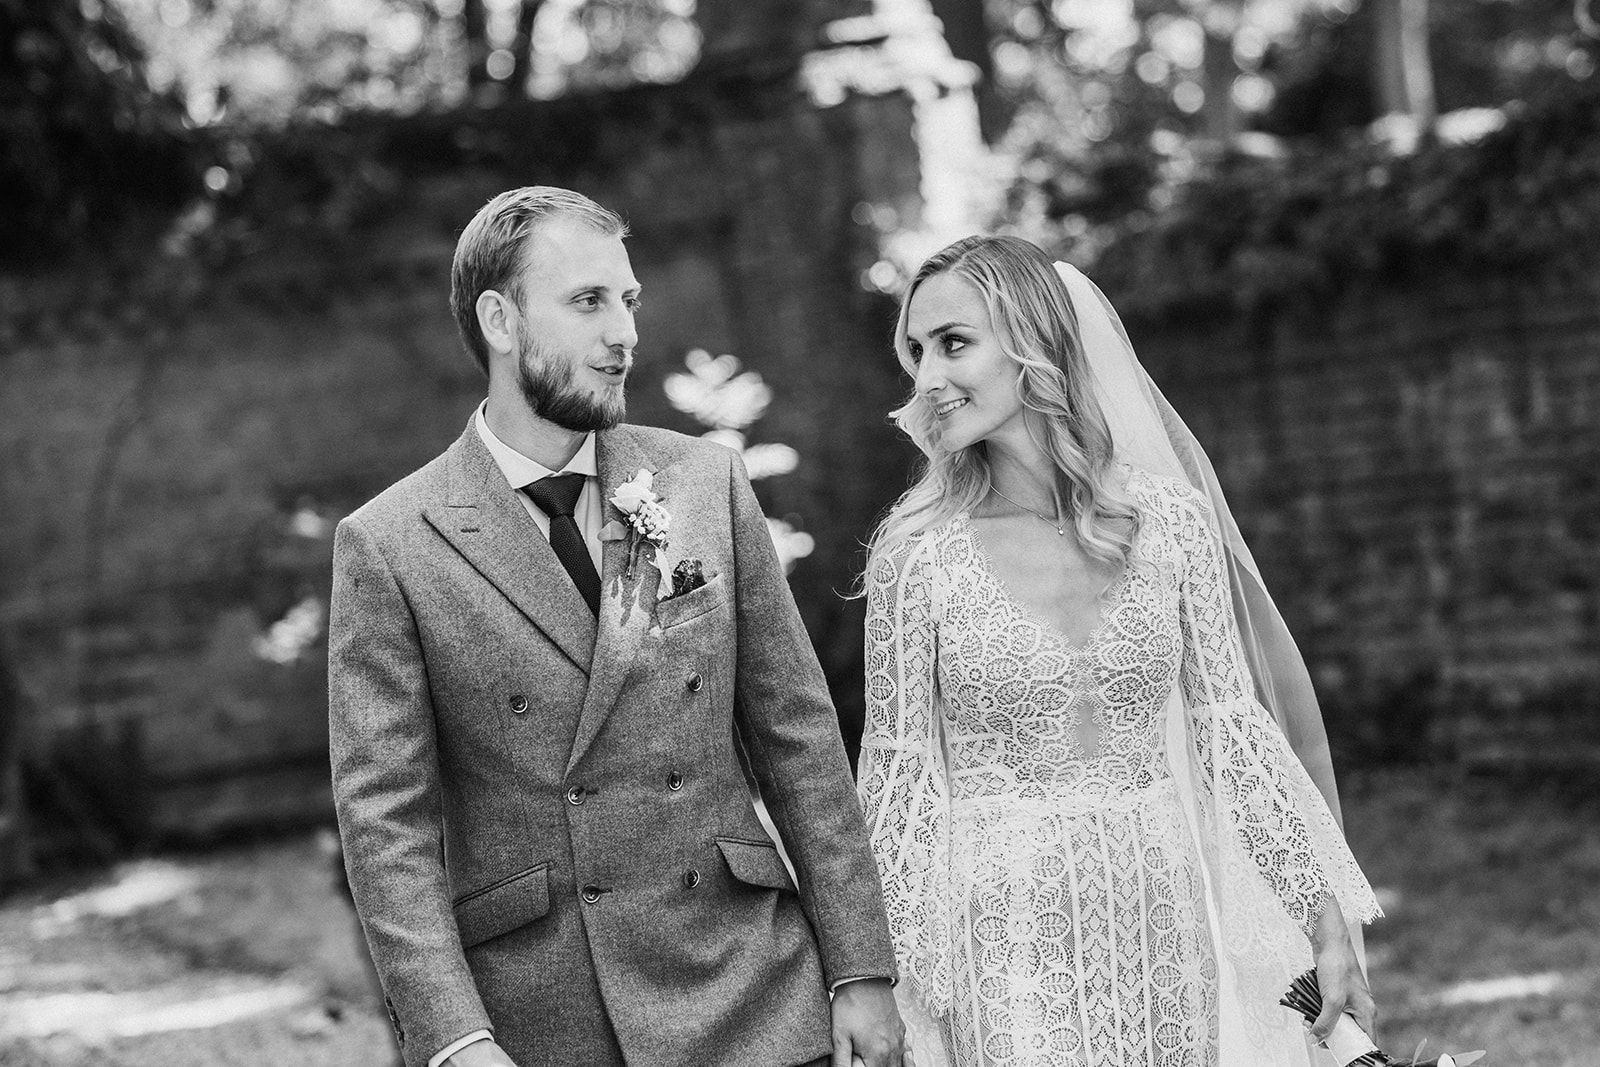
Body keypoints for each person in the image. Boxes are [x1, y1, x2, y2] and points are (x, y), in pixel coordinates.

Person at [329, 186, 904, 1067]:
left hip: (755, 984)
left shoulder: (703, 481)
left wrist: (859, 965)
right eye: (588, 301)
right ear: (501, 319)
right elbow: (385, 825)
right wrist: (453, 1038)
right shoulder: (392, 542)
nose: (624, 332)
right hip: (545, 1017)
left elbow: (797, 734)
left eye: (628, 300)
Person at [856, 235, 1382, 1066]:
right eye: (916, 351)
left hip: (1162, 907)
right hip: (1002, 927)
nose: (926, 378)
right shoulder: (917, 556)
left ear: (1034, 342)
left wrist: (1328, 924)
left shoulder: (1170, 523)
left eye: (954, 343)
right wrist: (881, 984)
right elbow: (896, 787)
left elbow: (1232, 735)